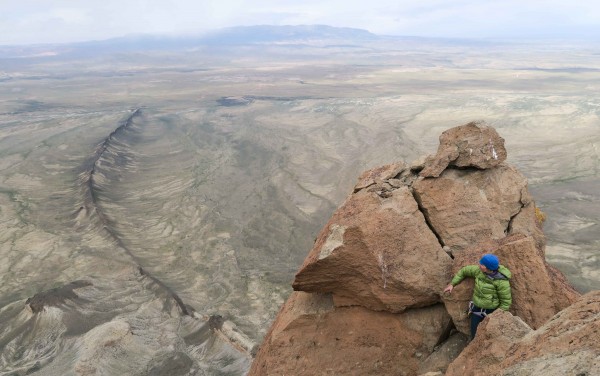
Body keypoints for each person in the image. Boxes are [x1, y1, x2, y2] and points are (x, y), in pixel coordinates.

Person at [443, 253, 512, 339]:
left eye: (482, 264)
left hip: (490, 311)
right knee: (474, 334)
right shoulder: (478, 271)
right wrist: (452, 284)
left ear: (487, 268)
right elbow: (464, 271)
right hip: (476, 308)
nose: (479, 264)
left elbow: (506, 302)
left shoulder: (501, 282)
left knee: (489, 336)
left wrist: (498, 315)